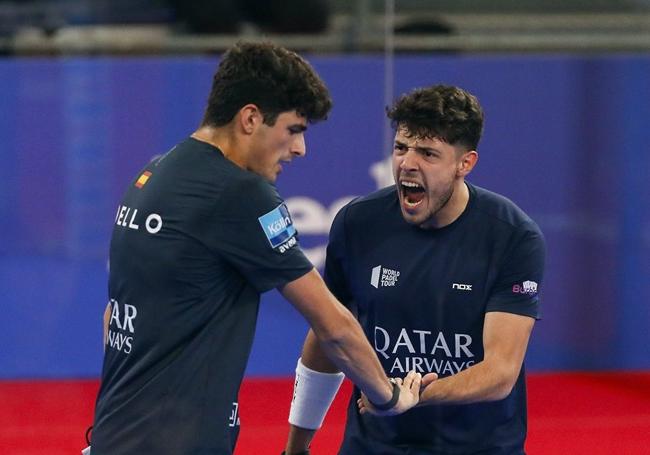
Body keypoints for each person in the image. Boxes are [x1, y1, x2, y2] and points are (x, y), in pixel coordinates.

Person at [87, 41, 421, 455]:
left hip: (116, 433)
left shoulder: (155, 173)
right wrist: (389, 396)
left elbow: (114, 316)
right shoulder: (242, 194)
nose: (300, 149)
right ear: (250, 118)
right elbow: (332, 327)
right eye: (294, 130)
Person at [285, 84, 546, 455]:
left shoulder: (513, 237)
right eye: (401, 147)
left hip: (479, 447)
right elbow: (329, 335)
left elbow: (500, 373)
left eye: (427, 153)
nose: (407, 163)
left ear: (464, 164)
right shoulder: (357, 223)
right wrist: (295, 448)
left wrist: (405, 395)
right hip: (372, 445)